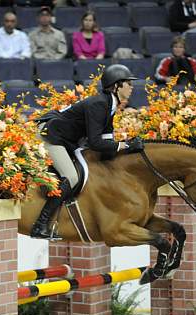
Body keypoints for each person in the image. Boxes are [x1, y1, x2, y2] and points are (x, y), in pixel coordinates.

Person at [31, 64, 143, 240]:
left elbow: (107, 143)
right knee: (71, 176)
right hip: (50, 135)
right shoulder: (99, 104)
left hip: (65, 139)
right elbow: (96, 142)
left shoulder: (109, 106)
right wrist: (126, 146)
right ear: (116, 86)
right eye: (128, 83)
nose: (132, 87)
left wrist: (126, 149)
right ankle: (40, 225)